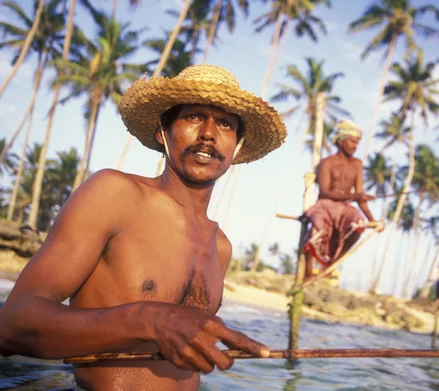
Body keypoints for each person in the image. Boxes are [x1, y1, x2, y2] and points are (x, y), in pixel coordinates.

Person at [0, 64, 287, 390]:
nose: (208, 132)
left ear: (235, 148)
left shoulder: (221, 246)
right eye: (194, 117)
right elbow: (11, 326)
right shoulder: (114, 194)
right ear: (162, 133)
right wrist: (149, 320)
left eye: (224, 123)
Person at [301, 120, 384, 280]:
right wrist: (355, 196)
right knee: (318, 224)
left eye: (357, 143)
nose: (355, 146)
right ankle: (308, 270)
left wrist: (372, 220)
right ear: (341, 141)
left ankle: (332, 264)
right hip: (324, 205)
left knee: (357, 224)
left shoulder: (357, 164)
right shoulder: (327, 162)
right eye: (353, 141)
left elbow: (360, 197)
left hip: (344, 208)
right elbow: (325, 192)